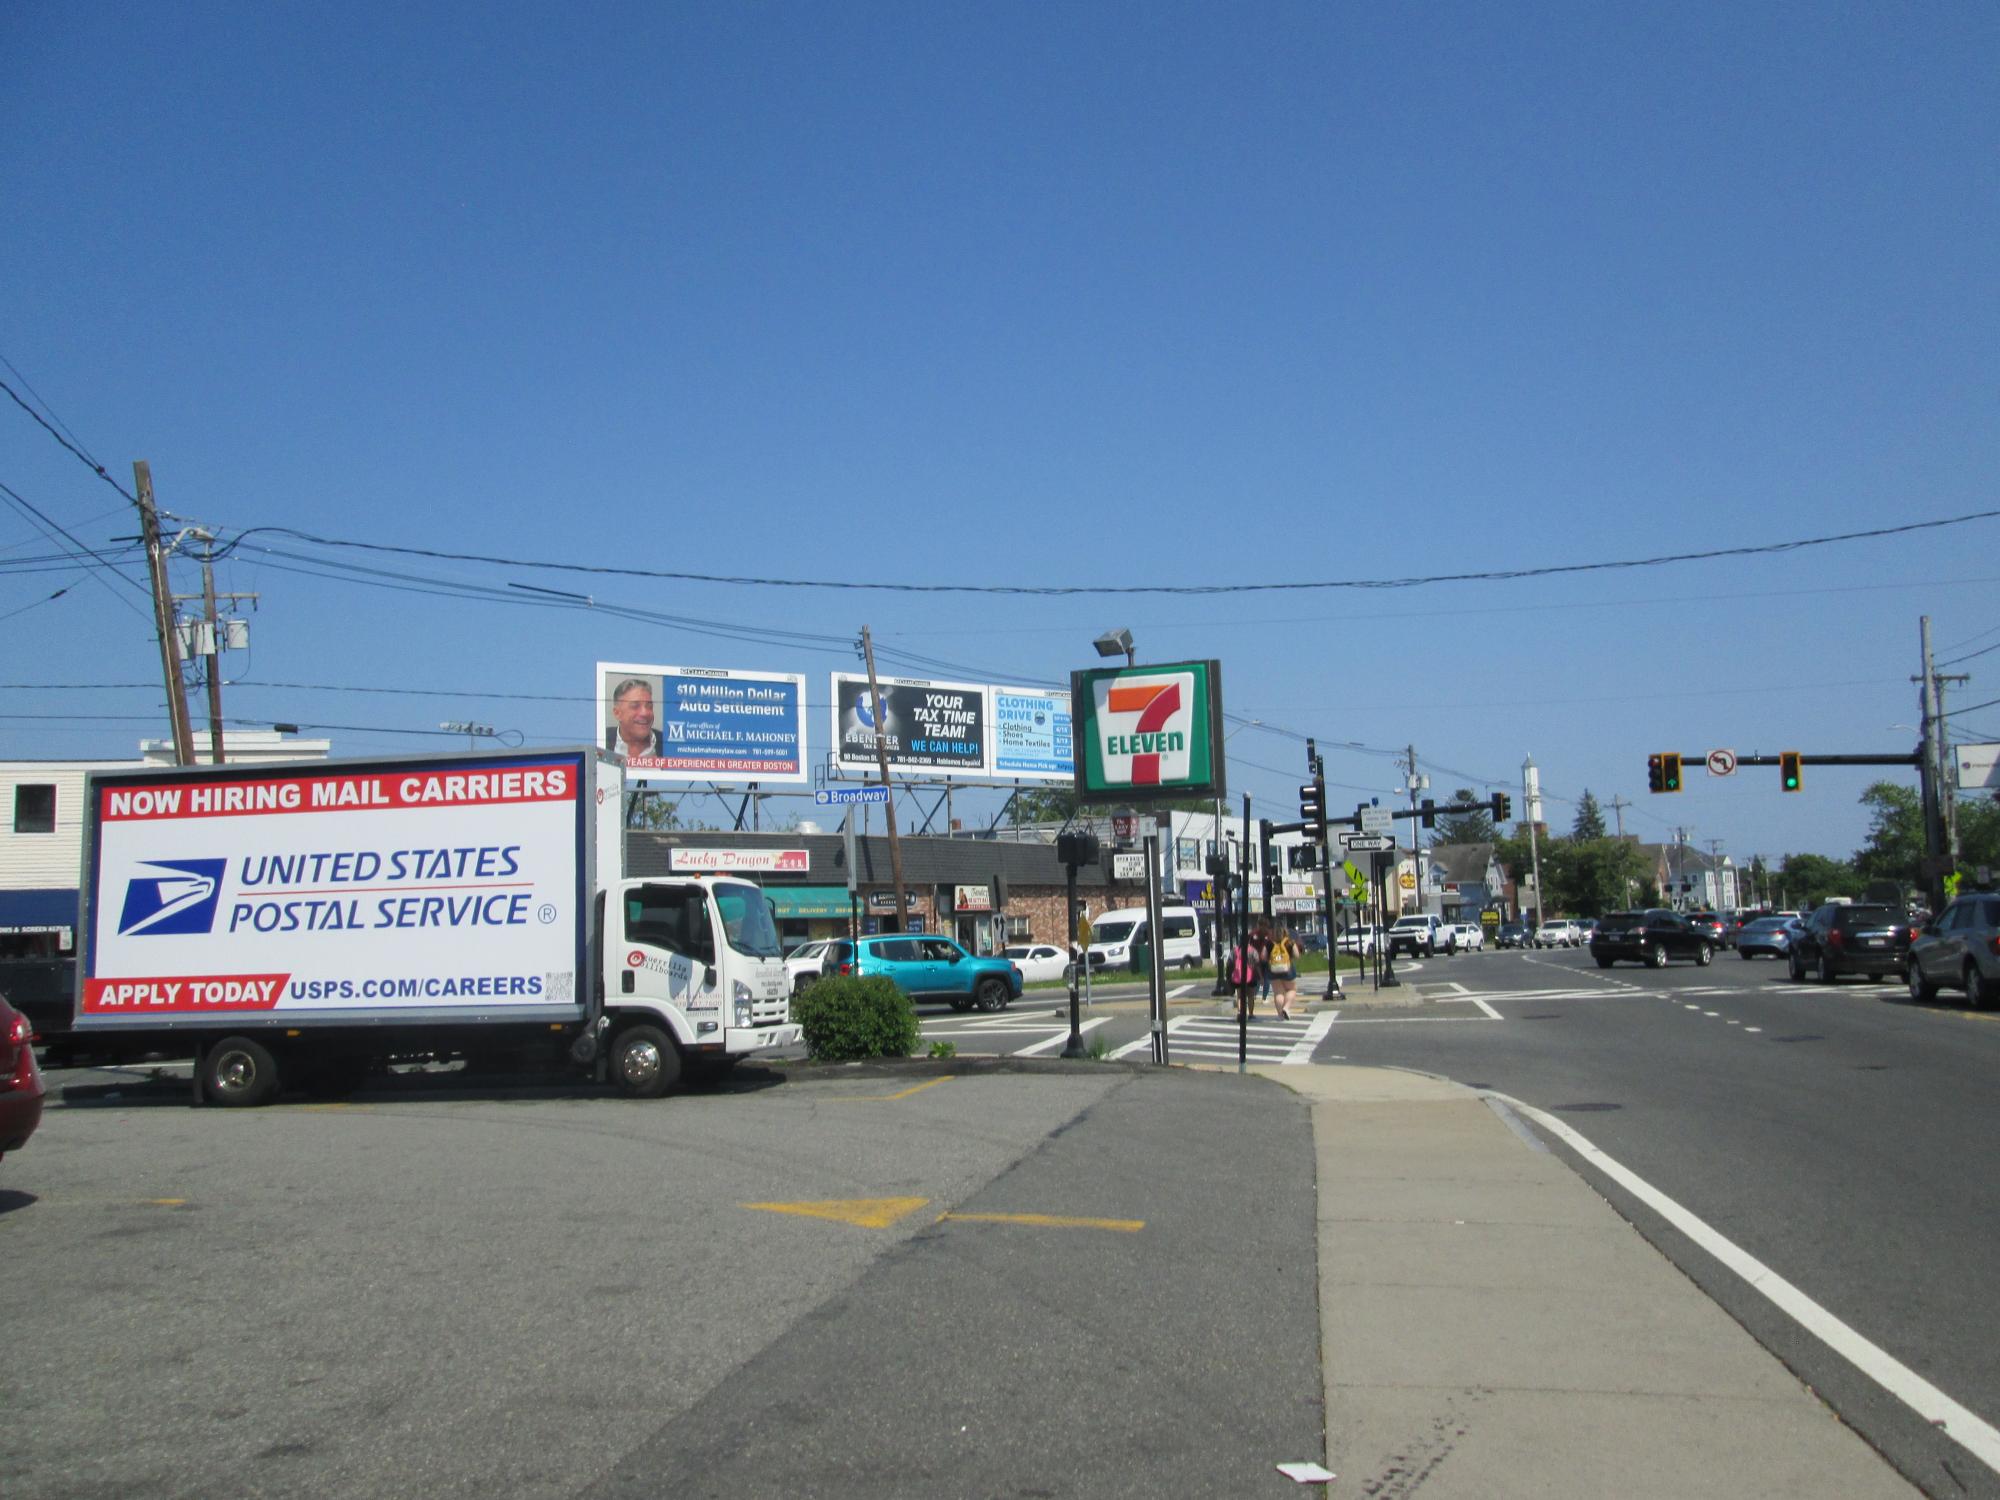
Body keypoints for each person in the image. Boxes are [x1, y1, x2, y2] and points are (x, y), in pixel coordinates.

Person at [605, 677, 663, 759]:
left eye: (649, 706)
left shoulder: (668, 744)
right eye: (635, 706)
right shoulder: (602, 739)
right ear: (617, 713)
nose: (645, 713)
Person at [1270, 927, 1300, 1020]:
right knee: (1292, 989)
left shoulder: (1270, 943)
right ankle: (1286, 1008)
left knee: (1278, 993)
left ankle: (1280, 1015)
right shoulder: (1290, 942)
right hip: (1288, 969)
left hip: (1274, 969)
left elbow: (1263, 956)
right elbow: (1297, 955)